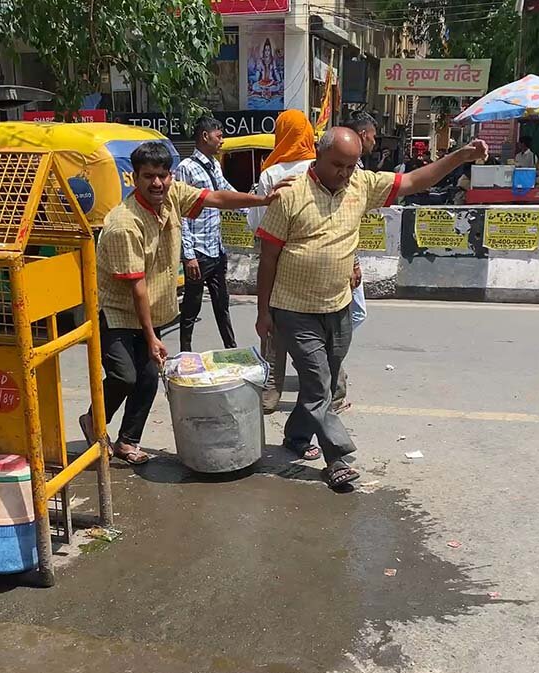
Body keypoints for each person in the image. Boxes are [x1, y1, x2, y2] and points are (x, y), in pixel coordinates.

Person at [253, 128, 489, 489]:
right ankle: (337, 458)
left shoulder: (361, 184)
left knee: (325, 383)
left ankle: (297, 437)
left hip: (338, 305)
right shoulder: (290, 194)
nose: (344, 173)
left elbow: (412, 180)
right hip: (293, 308)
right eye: (337, 165)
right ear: (318, 155)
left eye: (350, 166)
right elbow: (268, 257)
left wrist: (458, 157)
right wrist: (263, 311)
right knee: (318, 383)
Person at [78, 142, 289, 465]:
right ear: (135, 178)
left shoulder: (173, 195)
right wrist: (152, 338)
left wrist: (262, 199)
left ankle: (127, 441)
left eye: (162, 175)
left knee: (149, 378)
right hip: (117, 311)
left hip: (153, 308)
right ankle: (93, 422)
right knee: (125, 376)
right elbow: (136, 289)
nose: (157, 183)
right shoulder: (124, 224)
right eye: (149, 176)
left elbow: (215, 198)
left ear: (171, 176)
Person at [248, 109, 318, 414]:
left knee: (273, 324)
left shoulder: (271, 174)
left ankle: (271, 391)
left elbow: (258, 223)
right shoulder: (321, 167)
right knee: (319, 325)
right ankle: (332, 390)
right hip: (317, 258)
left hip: (277, 260)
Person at [174, 116, 239, 353]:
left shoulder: (215, 165)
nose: (222, 140)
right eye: (219, 136)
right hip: (198, 252)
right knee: (191, 308)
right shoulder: (185, 168)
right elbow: (181, 214)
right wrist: (188, 256)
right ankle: (185, 354)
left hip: (216, 249)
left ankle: (231, 350)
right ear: (205, 136)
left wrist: (253, 203)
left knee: (222, 304)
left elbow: (225, 191)